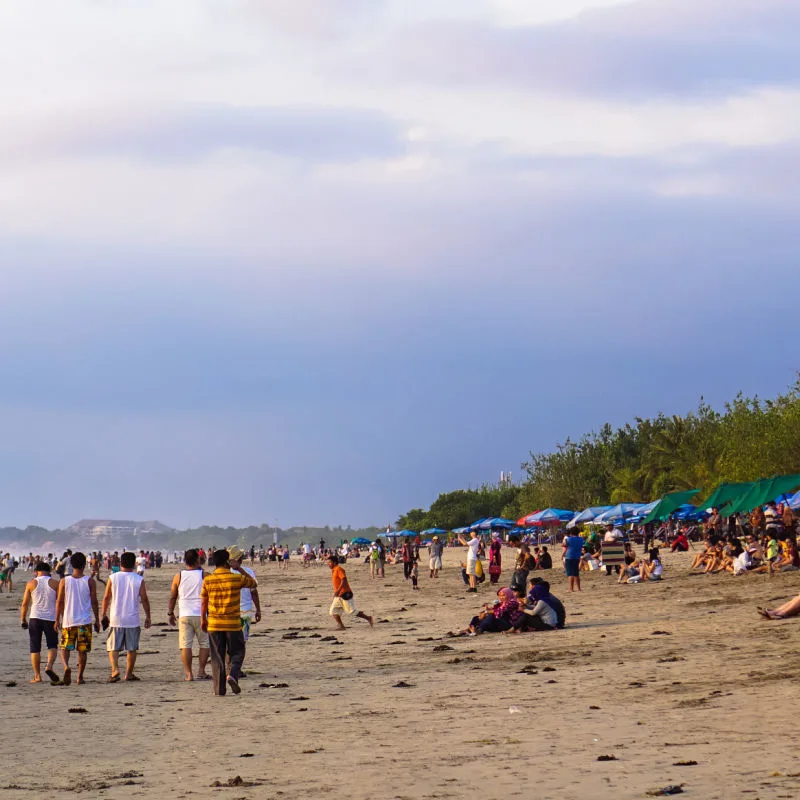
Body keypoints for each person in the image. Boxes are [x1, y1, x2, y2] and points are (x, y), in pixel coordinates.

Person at [201, 549, 258, 696]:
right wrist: (239, 569)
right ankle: (233, 673)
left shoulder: (208, 580)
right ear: (227, 562)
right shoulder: (236, 578)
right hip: (232, 623)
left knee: (217, 656)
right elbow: (253, 584)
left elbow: (204, 602)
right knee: (237, 651)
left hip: (214, 622)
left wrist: (203, 619)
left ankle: (219, 690)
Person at [101, 551, 151, 682]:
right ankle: (128, 673)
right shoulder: (138, 579)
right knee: (132, 648)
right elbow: (144, 599)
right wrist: (148, 616)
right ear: (134, 564)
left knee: (113, 646)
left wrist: (103, 614)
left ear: (120, 563)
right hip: (132, 619)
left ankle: (115, 670)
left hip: (116, 617)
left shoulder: (113, 577)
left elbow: (106, 597)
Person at [54, 552, 101, 686]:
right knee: (82, 650)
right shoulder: (90, 581)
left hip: (69, 620)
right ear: (84, 565)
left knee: (65, 648)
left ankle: (66, 666)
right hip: (84, 621)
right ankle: (79, 677)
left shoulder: (64, 581)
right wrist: (97, 620)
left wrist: (57, 620)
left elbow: (59, 601)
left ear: (71, 565)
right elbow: (94, 602)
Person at [168, 548, 210, 681]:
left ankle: (189, 674)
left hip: (184, 614)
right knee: (205, 643)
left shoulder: (178, 576)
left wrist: (170, 613)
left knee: (185, 645)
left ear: (185, 560)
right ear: (198, 559)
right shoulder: (205, 575)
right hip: (201, 614)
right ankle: (201, 671)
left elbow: (173, 596)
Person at [20, 562, 61, 684]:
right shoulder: (55, 583)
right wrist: (60, 619)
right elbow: (60, 602)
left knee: (35, 647)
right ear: (49, 571)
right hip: (51, 618)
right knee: (52, 645)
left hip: (35, 618)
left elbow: (25, 604)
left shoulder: (31, 584)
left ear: (36, 571)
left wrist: (23, 619)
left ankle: (37, 676)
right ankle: (49, 666)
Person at [228, 546, 261, 668]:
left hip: (229, 612)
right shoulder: (248, 572)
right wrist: (258, 609)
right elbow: (254, 591)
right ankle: (236, 668)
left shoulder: (225, 573)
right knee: (241, 643)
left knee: (229, 643)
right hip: (245, 611)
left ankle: (229, 667)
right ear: (240, 559)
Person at [328, 555, 373, 630]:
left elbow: (343, 579)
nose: (328, 564)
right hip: (338, 595)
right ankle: (341, 626)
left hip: (345, 594)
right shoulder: (334, 570)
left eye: (329, 562)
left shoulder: (339, 569)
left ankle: (368, 618)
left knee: (351, 612)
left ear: (334, 562)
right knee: (333, 611)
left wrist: (338, 590)